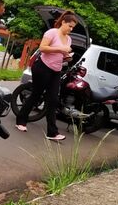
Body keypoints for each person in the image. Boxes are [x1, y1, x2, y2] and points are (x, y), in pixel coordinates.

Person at [15, 11, 77, 141]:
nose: (71, 29)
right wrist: (61, 50)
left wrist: (67, 57)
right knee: (36, 95)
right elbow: (43, 48)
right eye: (70, 26)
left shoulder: (69, 39)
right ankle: (21, 120)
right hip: (42, 67)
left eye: (73, 27)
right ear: (63, 22)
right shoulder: (52, 33)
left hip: (56, 70)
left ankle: (52, 133)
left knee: (53, 100)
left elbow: (62, 55)